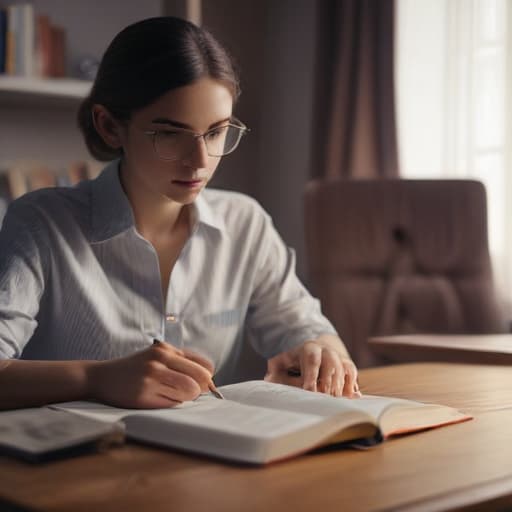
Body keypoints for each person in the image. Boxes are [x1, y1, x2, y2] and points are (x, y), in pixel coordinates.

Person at [0, 16, 359, 410]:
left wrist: (322, 352)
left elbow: (306, 328)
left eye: (217, 131)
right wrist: (95, 378)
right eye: (170, 134)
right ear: (109, 127)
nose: (200, 162)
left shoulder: (245, 224)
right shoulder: (41, 223)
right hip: (73, 464)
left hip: (204, 462)